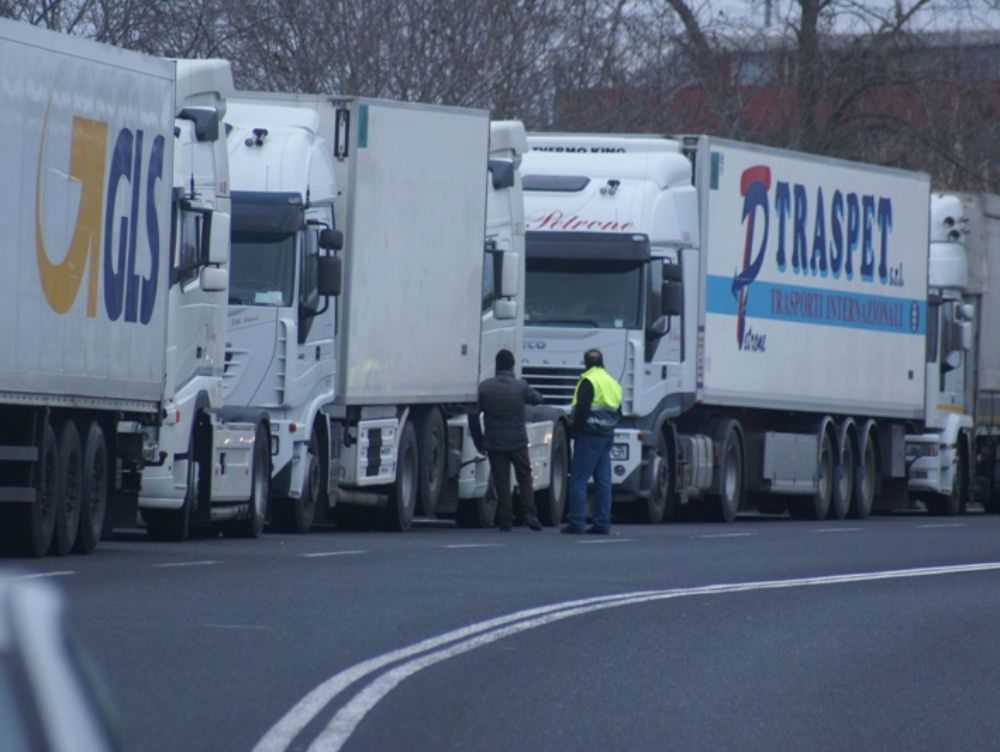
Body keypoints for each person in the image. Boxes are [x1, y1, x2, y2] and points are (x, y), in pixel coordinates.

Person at [468, 349, 545, 532]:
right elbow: (538, 400)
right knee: (524, 476)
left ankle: (505, 519)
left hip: (494, 442)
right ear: (512, 366)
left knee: (501, 480)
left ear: (496, 366)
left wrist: (480, 442)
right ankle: (529, 515)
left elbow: (473, 416)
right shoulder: (521, 386)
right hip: (518, 441)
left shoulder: (485, 387)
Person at [562, 348, 622, 535]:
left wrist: (574, 429)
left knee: (579, 479)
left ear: (586, 363)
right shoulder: (612, 382)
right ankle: (602, 523)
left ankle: (577, 521)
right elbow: (619, 413)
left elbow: (582, 410)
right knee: (603, 481)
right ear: (602, 362)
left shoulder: (588, 380)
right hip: (606, 436)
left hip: (588, 436)